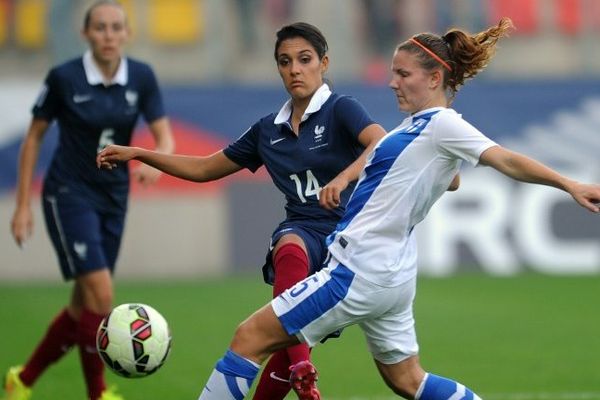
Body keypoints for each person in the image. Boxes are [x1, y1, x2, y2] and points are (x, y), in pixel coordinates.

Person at [134, 17, 598, 400]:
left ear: (434, 78)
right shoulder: (417, 130)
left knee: (248, 338)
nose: (392, 81)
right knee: (407, 380)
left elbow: (506, 159)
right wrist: (388, 176)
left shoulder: (443, 124)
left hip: (360, 269)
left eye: (402, 74)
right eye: (393, 72)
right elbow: (443, 175)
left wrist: (568, 184)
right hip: (393, 274)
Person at [97, 22, 387, 400]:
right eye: (285, 62)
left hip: (348, 242)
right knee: (289, 246)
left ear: (324, 63)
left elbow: (381, 144)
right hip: (304, 231)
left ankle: (296, 362)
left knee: (283, 347)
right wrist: (140, 152)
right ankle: (303, 366)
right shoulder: (268, 130)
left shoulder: (341, 109)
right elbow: (204, 168)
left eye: (304, 59)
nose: (295, 69)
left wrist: (344, 177)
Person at [4, 2, 174, 400]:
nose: (109, 35)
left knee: (84, 309)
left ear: (127, 33)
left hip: (114, 197)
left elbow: (164, 136)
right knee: (101, 294)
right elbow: (33, 137)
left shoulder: (142, 77)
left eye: (116, 28)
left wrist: (158, 161)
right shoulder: (65, 77)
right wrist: (23, 204)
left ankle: (22, 381)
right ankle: (97, 393)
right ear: (86, 34)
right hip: (68, 193)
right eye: (100, 28)